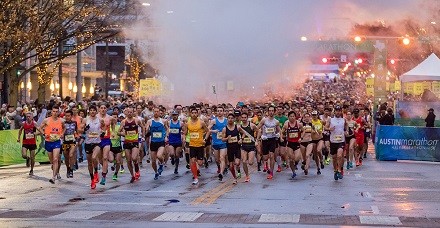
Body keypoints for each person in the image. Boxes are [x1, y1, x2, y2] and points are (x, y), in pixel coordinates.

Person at [39, 106, 65, 184]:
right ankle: (56, 171)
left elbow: (65, 128)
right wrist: (44, 134)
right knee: (52, 161)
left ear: (59, 113)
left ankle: (53, 178)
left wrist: (62, 134)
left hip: (57, 142)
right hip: (48, 142)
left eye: (57, 111)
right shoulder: (46, 120)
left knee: (56, 159)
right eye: (54, 111)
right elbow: (40, 128)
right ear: (51, 112)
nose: (55, 113)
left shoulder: (61, 121)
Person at [186, 106, 209, 185]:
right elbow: (185, 133)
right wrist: (184, 139)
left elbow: (208, 131)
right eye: (192, 113)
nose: (194, 114)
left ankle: (203, 159)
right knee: (192, 161)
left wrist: (205, 140)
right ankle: (195, 177)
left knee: (200, 163)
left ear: (197, 114)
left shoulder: (201, 122)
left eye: (195, 113)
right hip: (192, 144)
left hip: (200, 145)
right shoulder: (188, 123)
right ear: (190, 114)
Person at [145, 107, 168, 180]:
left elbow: (167, 129)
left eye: (157, 111)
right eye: (155, 111)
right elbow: (146, 129)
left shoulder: (163, 121)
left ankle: (161, 163)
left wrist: (166, 136)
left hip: (161, 141)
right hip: (153, 142)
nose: (156, 113)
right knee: (153, 161)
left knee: (159, 155)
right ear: (153, 112)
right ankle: (156, 172)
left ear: (159, 112)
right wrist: (147, 129)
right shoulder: (149, 121)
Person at [325, 105, 346, 181]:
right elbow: (325, 127)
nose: (338, 112)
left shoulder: (344, 120)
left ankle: (340, 170)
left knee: (339, 156)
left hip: (341, 141)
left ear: (341, 112)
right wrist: (329, 129)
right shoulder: (330, 120)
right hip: (333, 141)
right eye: (337, 110)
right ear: (335, 111)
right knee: (334, 158)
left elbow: (346, 128)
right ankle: (335, 170)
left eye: (339, 111)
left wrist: (346, 132)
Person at [62, 110, 78, 178]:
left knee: (71, 155)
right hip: (65, 142)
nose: (67, 117)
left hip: (72, 142)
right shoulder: (63, 123)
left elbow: (76, 131)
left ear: (71, 116)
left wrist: (77, 137)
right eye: (66, 116)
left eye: (68, 116)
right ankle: (68, 168)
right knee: (66, 157)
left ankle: (71, 169)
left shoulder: (74, 123)